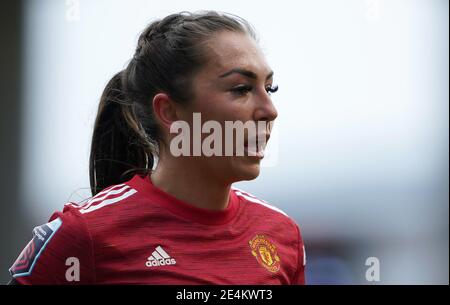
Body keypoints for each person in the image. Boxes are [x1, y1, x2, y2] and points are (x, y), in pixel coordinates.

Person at [9, 10, 305, 284]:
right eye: (241, 89)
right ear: (169, 112)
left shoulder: (282, 234)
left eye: (270, 88)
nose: (270, 110)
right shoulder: (83, 234)